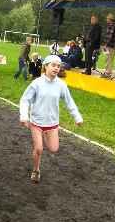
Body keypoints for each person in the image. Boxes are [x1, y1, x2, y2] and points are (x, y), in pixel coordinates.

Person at [19, 55, 83, 183]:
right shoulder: (36, 83)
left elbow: (69, 102)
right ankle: (36, 170)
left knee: (54, 149)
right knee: (39, 149)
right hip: (36, 122)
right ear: (46, 66)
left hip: (52, 123)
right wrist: (24, 116)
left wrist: (77, 117)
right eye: (53, 65)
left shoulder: (61, 85)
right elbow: (25, 100)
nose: (56, 68)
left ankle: (46, 135)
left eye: (58, 66)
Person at [103, 13, 115, 77]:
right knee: (110, 59)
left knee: (108, 59)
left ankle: (107, 73)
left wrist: (105, 44)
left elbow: (110, 36)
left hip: (110, 45)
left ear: (110, 19)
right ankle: (108, 72)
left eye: (107, 19)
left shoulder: (111, 25)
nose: (106, 20)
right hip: (114, 45)